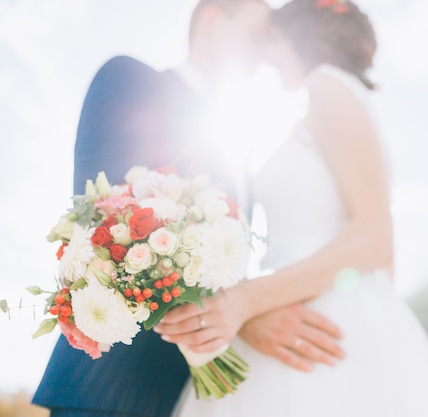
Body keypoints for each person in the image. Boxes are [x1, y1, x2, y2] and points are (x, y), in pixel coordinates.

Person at [32, 1, 345, 416]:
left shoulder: (240, 149)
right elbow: (108, 222)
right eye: (256, 37)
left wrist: (243, 309)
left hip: (203, 394)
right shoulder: (131, 80)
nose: (266, 55)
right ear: (213, 19)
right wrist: (244, 316)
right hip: (115, 384)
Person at [155, 0, 428, 416]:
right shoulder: (326, 100)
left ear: (295, 37)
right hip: (304, 308)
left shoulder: (327, 84)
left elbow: (374, 237)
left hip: (316, 317)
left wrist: (245, 300)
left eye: (268, 41)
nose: (262, 57)